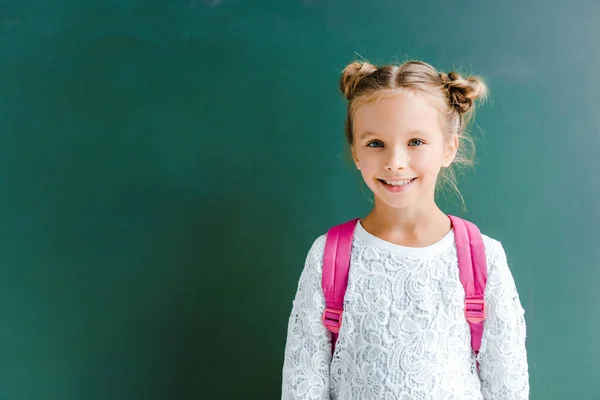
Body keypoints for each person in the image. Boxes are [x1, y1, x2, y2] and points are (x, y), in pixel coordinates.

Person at [281, 59, 529, 399]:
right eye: (375, 143)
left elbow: (508, 387)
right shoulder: (329, 255)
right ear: (355, 151)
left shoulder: (483, 257)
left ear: (449, 148)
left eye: (415, 142)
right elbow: (303, 385)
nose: (395, 161)